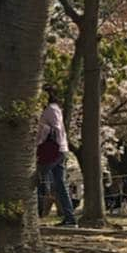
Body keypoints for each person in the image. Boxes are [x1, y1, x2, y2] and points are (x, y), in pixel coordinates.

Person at [36, 86, 77, 227]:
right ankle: (70, 217)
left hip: (53, 150)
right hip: (59, 149)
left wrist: (41, 135)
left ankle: (35, 214)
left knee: (36, 179)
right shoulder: (54, 108)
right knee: (60, 184)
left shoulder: (51, 109)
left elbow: (55, 129)